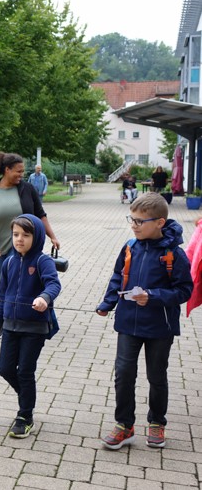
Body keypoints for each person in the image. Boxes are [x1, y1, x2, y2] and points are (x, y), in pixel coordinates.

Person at [96, 193, 192, 450]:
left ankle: (157, 422)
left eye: (140, 221)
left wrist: (153, 296)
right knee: (123, 374)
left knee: (156, 376)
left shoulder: (174, 254)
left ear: (159, 222)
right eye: (131, 219)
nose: (134, 225)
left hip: (160, 327)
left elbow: (184, 290)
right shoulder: (129, 247)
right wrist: (107, 304)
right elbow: (118, 277)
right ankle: (124, 425)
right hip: (128, 323)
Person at [0, 214, 61, 438]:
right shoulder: (8, 262)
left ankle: (25, 416)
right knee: (5, 369)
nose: (19, 239)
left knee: (26, 371)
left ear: (37, 237)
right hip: (10, 327)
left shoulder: (43, 261)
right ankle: (27, 398)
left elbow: (54, 284)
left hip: (34, 328)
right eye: (16, 234)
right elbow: (3, 297)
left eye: (26, 235)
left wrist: (44, 298)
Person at [0, 151, 61, 277]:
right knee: (7, 282)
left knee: (15, 280)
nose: (22, 175)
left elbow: (40, 215)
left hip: (21, 246)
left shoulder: (28, 189)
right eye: (19, 171)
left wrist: (52, 237)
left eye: (23, 171)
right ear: (7, 170)